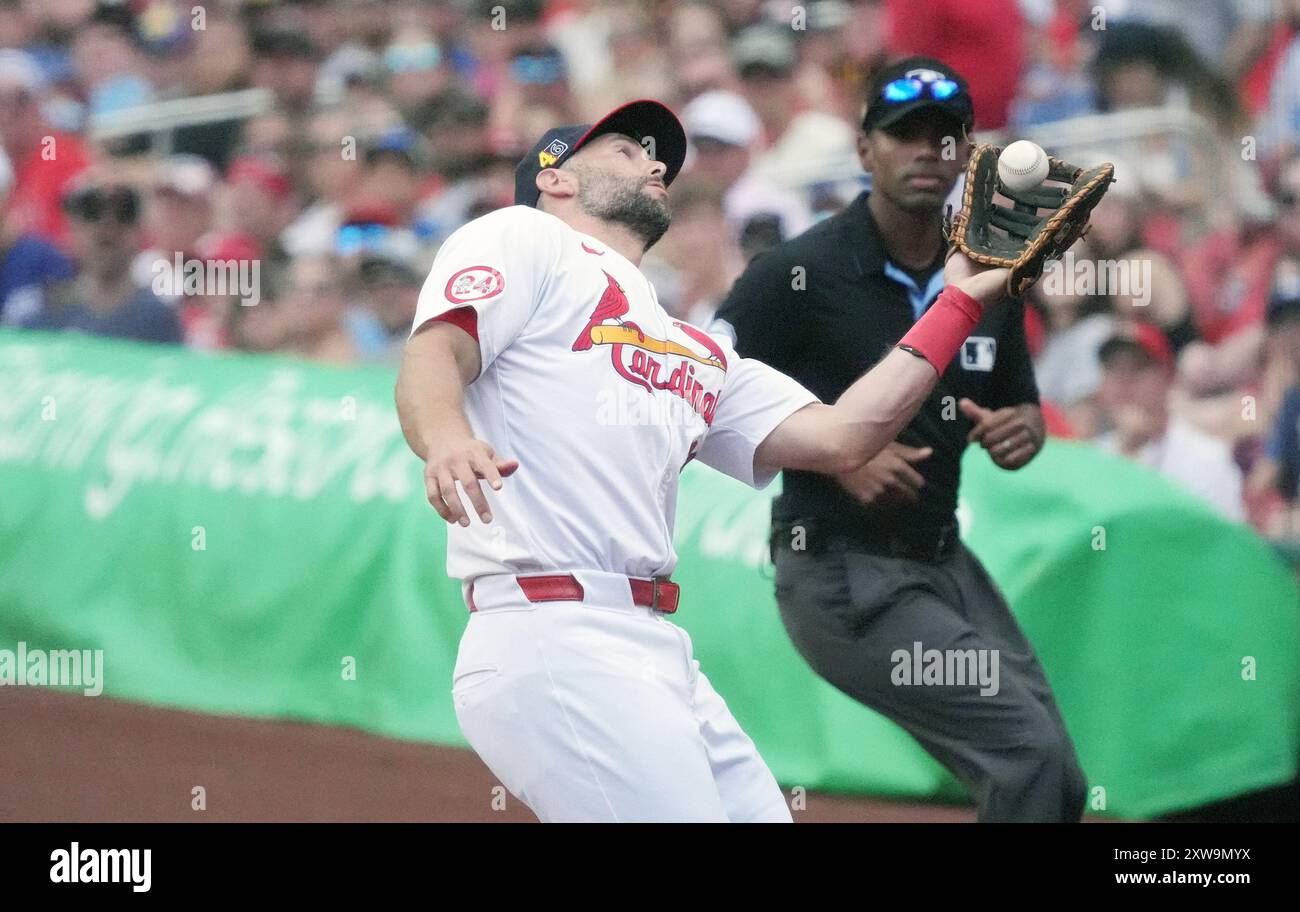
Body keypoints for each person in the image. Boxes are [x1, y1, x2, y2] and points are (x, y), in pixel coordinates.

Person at [394, 99, 1010, 823]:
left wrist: (958, 303)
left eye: (655, 157)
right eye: (627, 151)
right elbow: (436, 350)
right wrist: (446, 438)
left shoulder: (693, 344)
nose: (655, 164)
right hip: (550, 635)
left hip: (653, 646)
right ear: (555, 179)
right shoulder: (522, 237)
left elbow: (844, 436)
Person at [714, 57, 1087, 823]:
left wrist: (1024, 432)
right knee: (1031, 759)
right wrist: (832, 448)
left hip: (943, 561)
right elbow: (700, 397)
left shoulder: (991, 277)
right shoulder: (797, 273)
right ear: (863, 151)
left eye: (945, 137)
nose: (926, 152)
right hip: (841, 572)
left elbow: (1016, 408)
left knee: (1060, 783)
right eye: (902, 134)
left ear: (968, 152)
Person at [1095, 323, 1247, 523]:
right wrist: (1125, 450)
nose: (1123, 381)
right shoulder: (1094, 455)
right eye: (1113, 370)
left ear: (1167, 377)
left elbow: (1225, 543)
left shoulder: (1207, 457)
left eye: (1137, 368)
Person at [18, 178, 180, 345]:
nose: (107, 225)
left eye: (124, 214)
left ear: (141, 231)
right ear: (70, 230)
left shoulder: (158, 318)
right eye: (91, 212)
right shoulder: (37, 311)